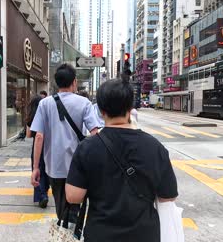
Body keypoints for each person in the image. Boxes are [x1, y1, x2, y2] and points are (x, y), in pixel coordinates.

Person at [65, 78, 178, 242]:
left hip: (101, 234)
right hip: (144, 235)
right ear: (130, 108)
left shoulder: (87, 148)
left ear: (101, 110)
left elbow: (73, 196)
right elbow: (168, 196)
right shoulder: (155, 147)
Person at [30, 63, 100, 220]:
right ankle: (72, 228)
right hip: (78, 166)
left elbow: (39, 136)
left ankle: (65, 227)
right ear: (74, 82)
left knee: (61, 206)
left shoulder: (45, 103)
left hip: (54, 167)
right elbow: (95, 134)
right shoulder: (85, 103)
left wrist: (35, 167)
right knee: (76, 206)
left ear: (56, 83)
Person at [26, 95, 49, 208]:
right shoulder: (46, 114)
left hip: (37, 146)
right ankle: (45, 192)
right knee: (45, 170)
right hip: (48, 145)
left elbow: (28, 135)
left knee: (37, 169)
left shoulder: (31, 117)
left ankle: (42, 195)